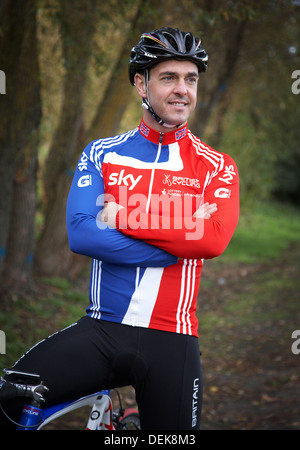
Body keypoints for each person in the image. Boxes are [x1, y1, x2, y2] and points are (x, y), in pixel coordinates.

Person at [0, 27, 239, 430]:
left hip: (173, 340)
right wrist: (177, 243)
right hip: (100, 330)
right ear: (140, 83)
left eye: (191, 79)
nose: (183, 90)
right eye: (169, 78)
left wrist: (124, 218)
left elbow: (212, 239)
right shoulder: (101, 153)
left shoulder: (217, 167)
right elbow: (82, 234)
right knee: (9, 397)